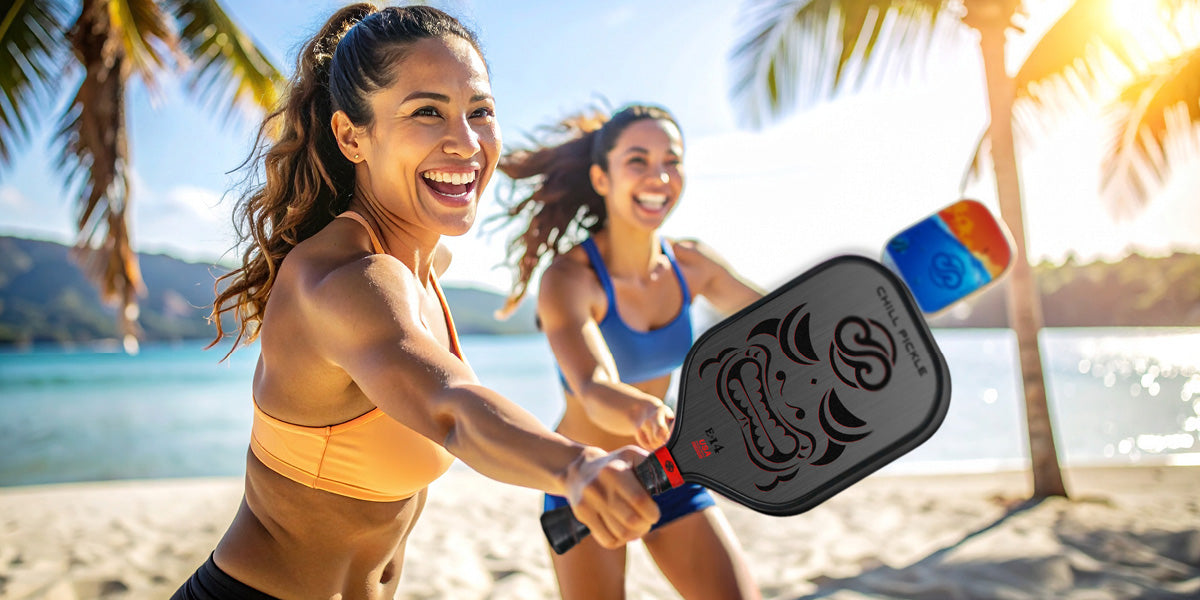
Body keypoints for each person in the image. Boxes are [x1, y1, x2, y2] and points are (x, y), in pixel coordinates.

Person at [172, 6, 660, 599]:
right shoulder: (349, 279)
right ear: (352, 136)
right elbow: (451, 406)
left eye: (480, 111)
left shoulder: (427, 270)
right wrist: (576, 468)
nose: (466, 140)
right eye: (426, 112)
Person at [496, 104, 765, 599]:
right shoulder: (570, 278)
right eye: (637, 161)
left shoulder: (693, 265)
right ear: (602, 178)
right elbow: (590, 385)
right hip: (588, 479)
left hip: (668, 467)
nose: (659, 176)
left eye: (672, 160)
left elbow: (780, 321)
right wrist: (642, 408)